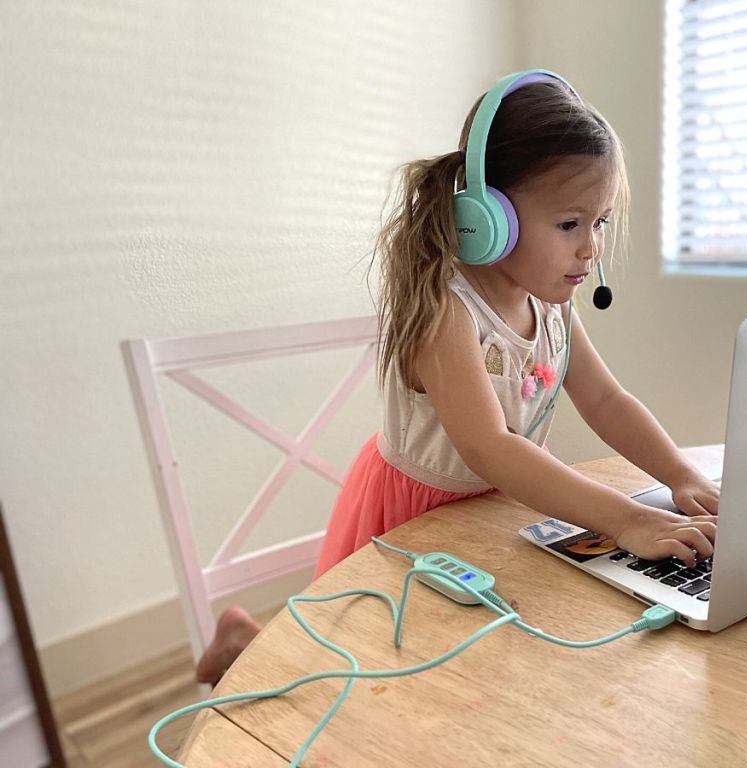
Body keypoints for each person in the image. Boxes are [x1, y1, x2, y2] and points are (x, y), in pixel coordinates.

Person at [196, 70, 720, 685]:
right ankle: (244, 643)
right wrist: (626, 518)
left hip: (507, 505)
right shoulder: (446, 308)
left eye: (600, 222)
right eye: (569, 224)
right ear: (485, 216)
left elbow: (605, 399)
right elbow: (490, 446)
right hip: (418, 513)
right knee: (358, 667)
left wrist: (680, 473)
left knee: (477, 665)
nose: (591, 249)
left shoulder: (551, 302)